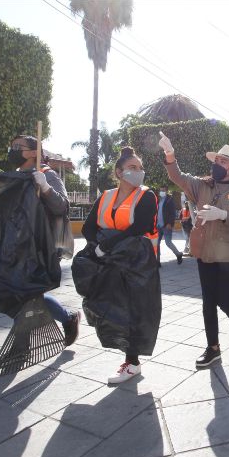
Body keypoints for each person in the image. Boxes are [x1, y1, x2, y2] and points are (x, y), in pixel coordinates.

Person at [158, 134, 229, 368]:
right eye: (216, 160)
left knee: (224, 298)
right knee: (208, 301)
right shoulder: (202, 185)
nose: (217, 165)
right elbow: (177, 176)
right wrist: (170, 154)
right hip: (205, 250)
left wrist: (223, 215)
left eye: (223, 162)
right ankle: (213, 348)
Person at [82, 146, 160, 383]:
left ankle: (133, 362)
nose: (138, 172)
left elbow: (140, 227)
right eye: (132, 168)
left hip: (139, 264)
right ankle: (125, 353)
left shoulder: (146, 195)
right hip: (111, 262)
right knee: (113, 306)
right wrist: (97, 245)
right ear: (119, 172)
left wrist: (107, 245)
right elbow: (88, 227)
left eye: (140, 168)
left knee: (136, 310)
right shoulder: (105, 197)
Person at [8, 135, 81, 346]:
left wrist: (46, 188)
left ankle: (20, 343)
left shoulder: (48, 176)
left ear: (33, 152)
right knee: (24, 293)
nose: (12, 150)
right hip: (19, 244)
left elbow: (62, 207)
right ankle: (67, 318)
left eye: (17, 147)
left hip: (44, 245)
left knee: (28, 292)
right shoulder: (17, 177)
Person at [156, 185, 183, 266]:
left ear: (166, 191)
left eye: (163, 190)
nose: (162, 192)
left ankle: (178, 254)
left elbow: (172, 213)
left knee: (168, 242)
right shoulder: (158, 199)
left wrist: (170, 223)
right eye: (161, 190)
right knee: (156, 243)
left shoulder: (169, 200)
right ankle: (157, 261)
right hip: (158, 225)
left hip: (166, 225)